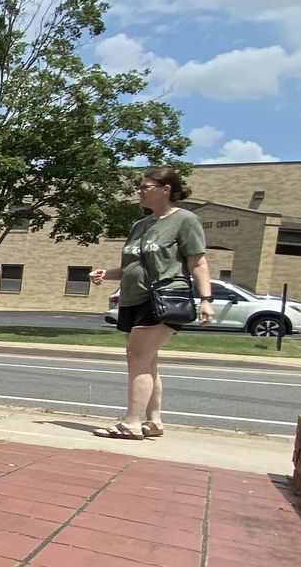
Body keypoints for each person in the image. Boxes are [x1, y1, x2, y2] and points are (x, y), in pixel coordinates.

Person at [89, 168, 214, 439]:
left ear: (166, 189)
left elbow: (198, 262)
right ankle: (153, 420)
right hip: (132, 299)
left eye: (145, 187)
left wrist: (206, 299)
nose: (139, 192)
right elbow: (131, 266)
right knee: (148, 361)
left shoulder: (185, 220)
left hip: (163, 299)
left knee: (137, 357)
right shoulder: (141, 226)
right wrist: (105, 273)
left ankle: (131, 423)